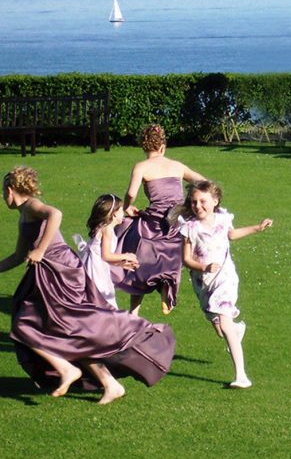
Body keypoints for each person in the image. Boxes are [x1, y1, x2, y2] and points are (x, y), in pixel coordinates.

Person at [1, 166, 176, 404]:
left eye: (3, 192)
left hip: (60, 270)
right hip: (47, 273)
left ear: (11, 190)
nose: (3, 197)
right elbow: (20, 254)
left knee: (25, 324)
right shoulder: (24, 215)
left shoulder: (31, 206)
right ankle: (109, 383)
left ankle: (67, 369)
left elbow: (56, 214)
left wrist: (41, 250)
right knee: (71, 331)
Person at [179, 180, 273, 389]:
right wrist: (203, 267)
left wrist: (257, 228)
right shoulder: (189, 228)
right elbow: (186, 259)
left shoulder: (223, 219)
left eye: (203, 201)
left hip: (225, 278)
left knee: (223, 317)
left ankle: (241, 375)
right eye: (194, 202)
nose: (198, 206)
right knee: (221, 327)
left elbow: (232, 234)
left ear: (215, 201)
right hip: (202, 282)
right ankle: (236, 330)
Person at [115, 123, 205, 315]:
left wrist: (125, 207)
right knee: (172, 257)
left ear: (144, 147)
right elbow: (203, 182)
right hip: (176, 222)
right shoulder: (177, 166)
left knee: (137, 256)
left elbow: (131, 193)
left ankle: (134, 310)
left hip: (154, 223)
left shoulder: (141, 166)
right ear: (163, 147)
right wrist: (192, 203)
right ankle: (166, 290)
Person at [73, 194, 139, 309]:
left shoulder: (104, 227)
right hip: (97, 273)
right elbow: (106, 256)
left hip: (97, 268)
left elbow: (102, 256)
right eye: (121, 210)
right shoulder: (107, 230)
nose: (123, 213)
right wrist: (127, 255)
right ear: (114, 214)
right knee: (103, 304)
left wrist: (121, 263)